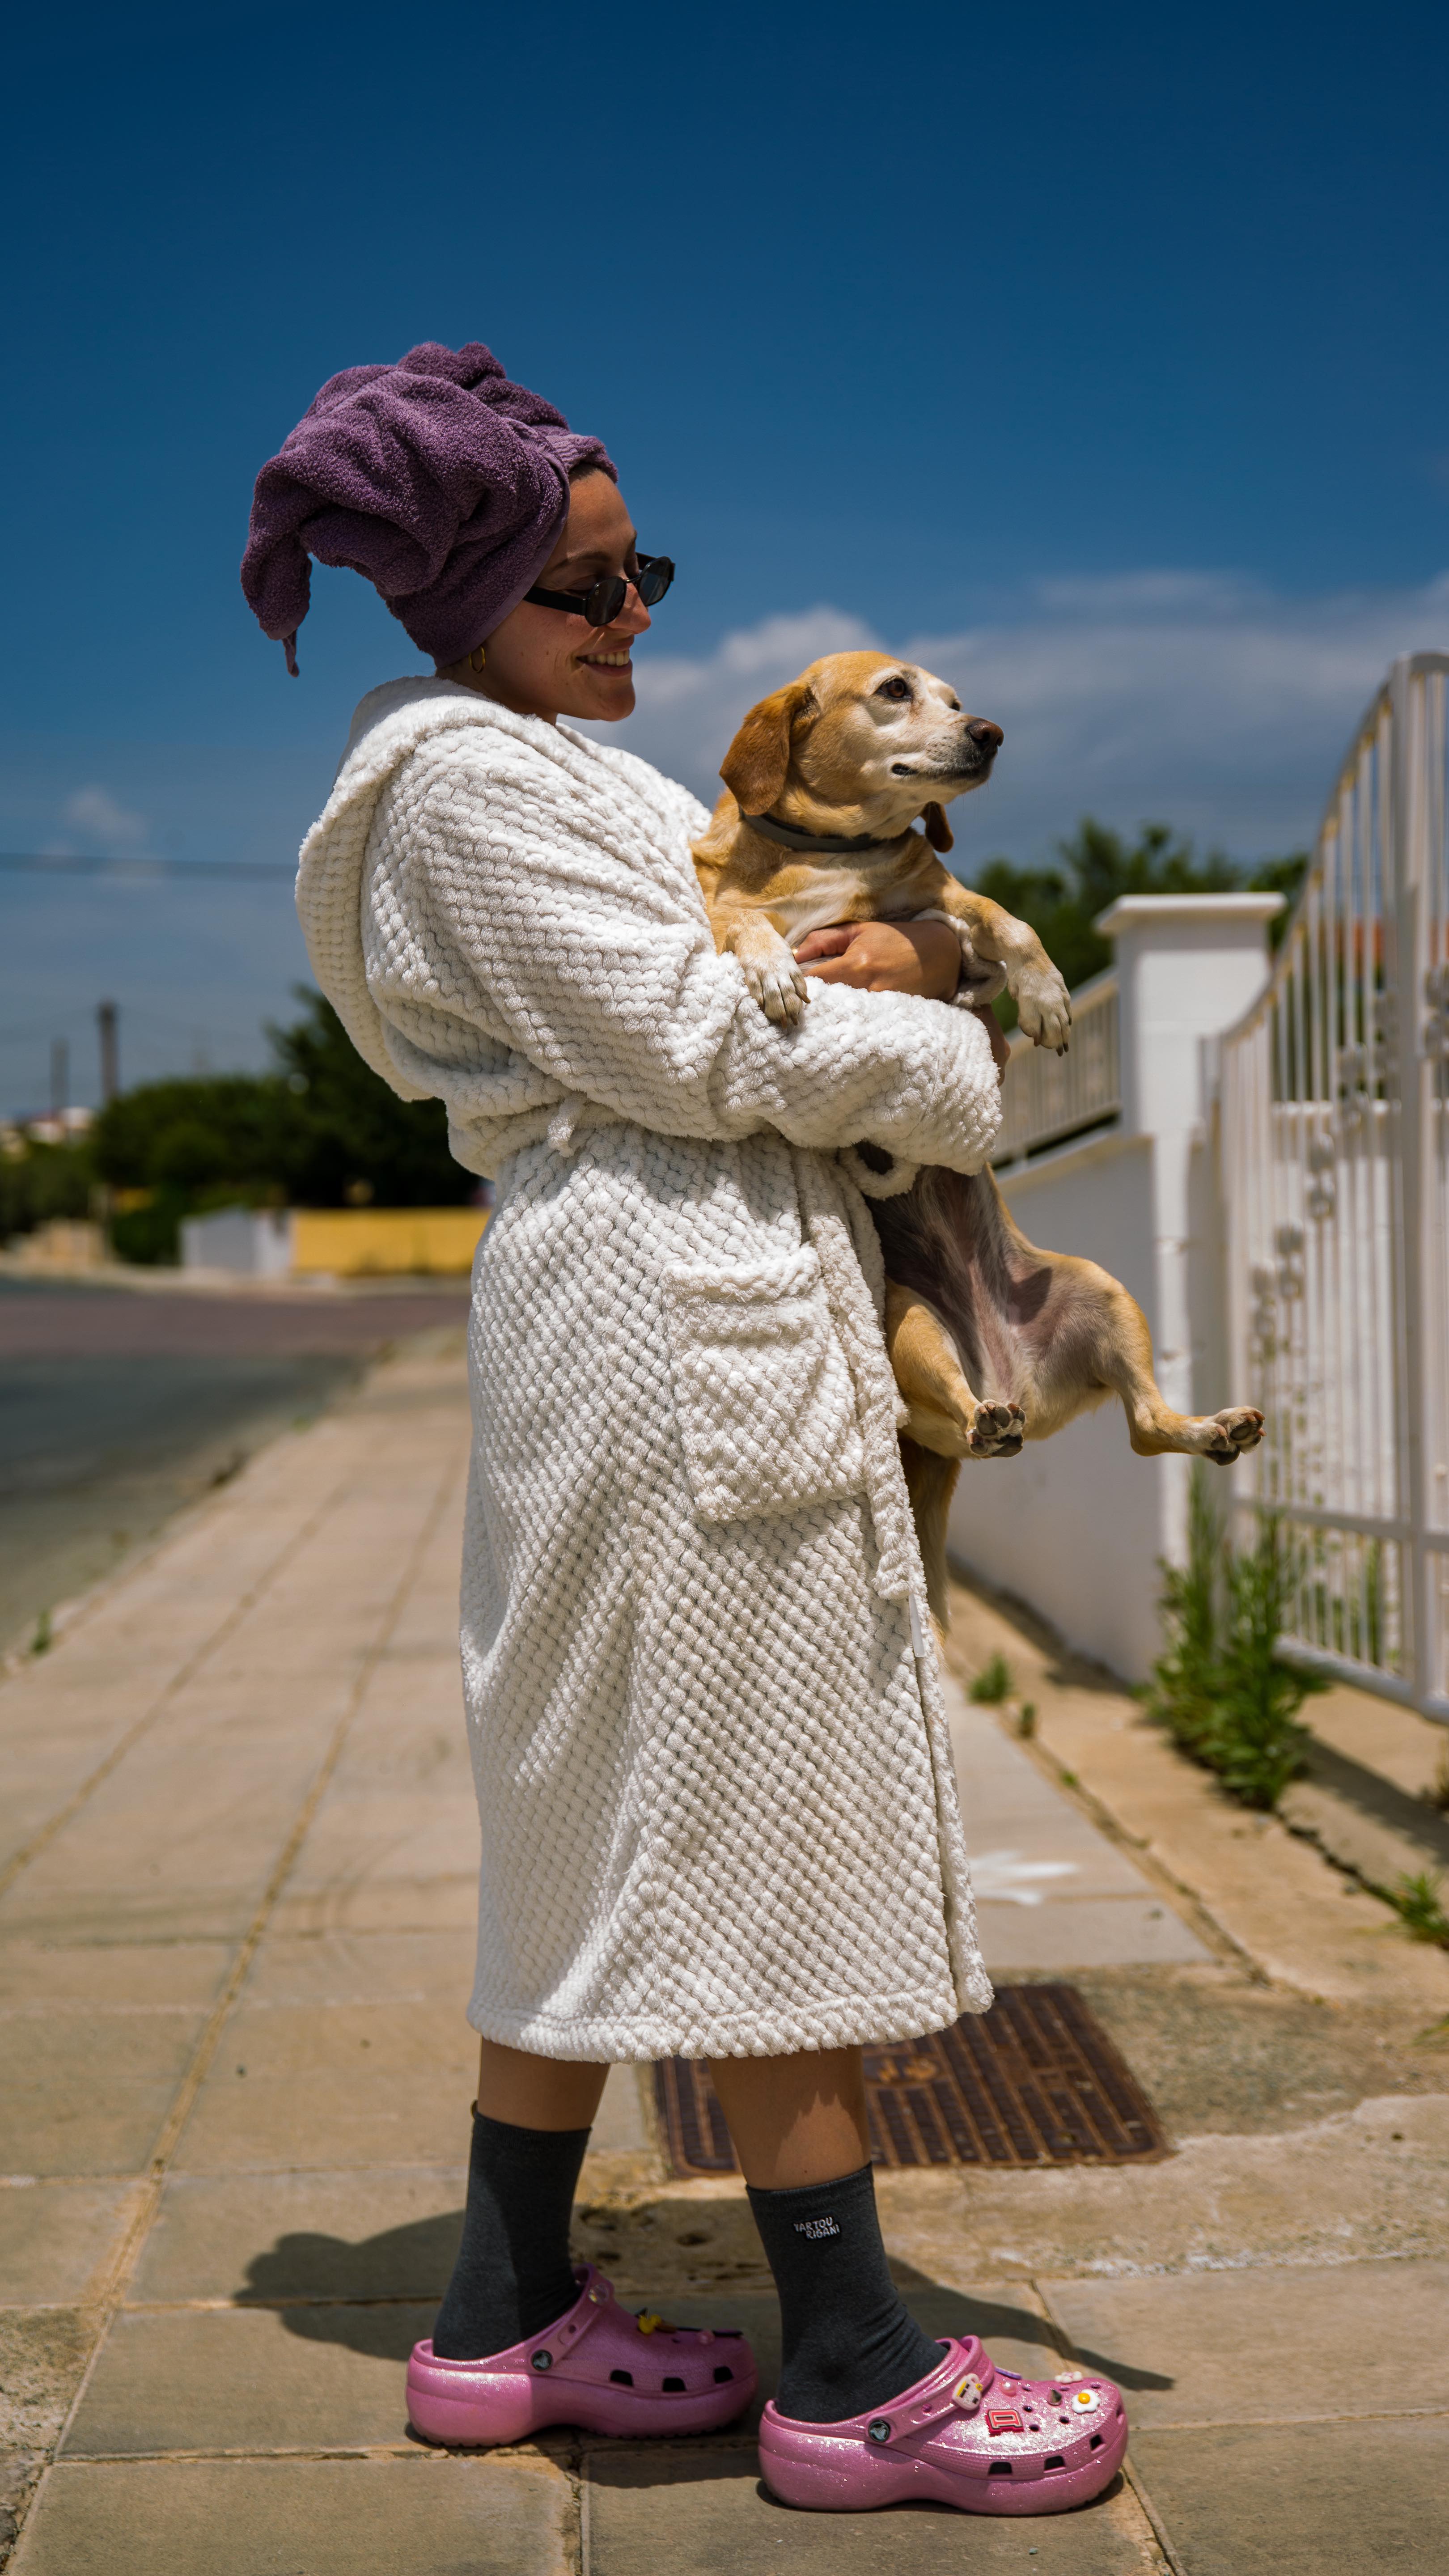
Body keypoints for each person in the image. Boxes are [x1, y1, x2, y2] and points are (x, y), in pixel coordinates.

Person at [242, 342, 1124, 2515]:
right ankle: (857, 2373)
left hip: (665, 1303)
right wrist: (928, 1024)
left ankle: (498, 2317)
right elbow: (694, 1039)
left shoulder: (583, 778)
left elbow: (778, 969)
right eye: (586, 588)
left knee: (590, 1819)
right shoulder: (462, 790)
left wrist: (876, 974)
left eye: (649, 576)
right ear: (464, 590)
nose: (634, 616)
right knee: (763, 1817)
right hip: (662, 1321)